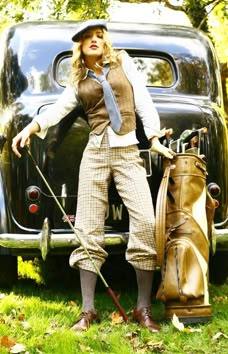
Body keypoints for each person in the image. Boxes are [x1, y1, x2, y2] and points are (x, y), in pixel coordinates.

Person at [12, 19, 175, 333]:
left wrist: (153, 139)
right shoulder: (77, 79)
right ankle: (88, 311)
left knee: (144, 221)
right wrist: (30, 128)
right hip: (96, 154)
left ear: (106, 41)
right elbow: (57, 111)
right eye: (88, 37)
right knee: (87, 226)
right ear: (80, 45)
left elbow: (143, 100)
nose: (95, 40)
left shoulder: (123, 62)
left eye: (100, 35)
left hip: (129, 152)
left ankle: (142, 308)